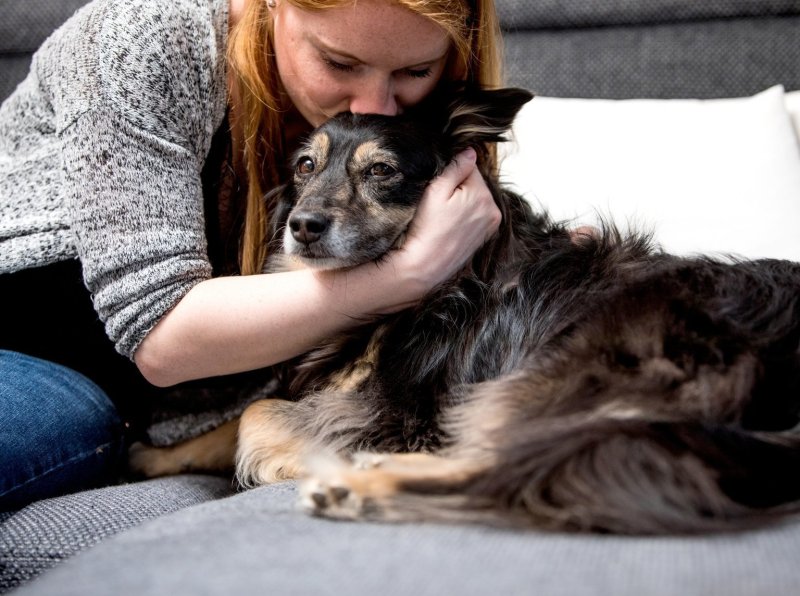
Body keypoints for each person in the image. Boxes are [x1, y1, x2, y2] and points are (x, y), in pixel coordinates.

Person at [0, 0, 504, 510]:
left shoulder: (427, 127)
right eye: (339, 63)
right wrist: (408, 273)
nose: (373, 104)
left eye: (415, 70)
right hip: (26, 351)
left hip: (140, 410)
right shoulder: (139, 40)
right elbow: (161, 338)